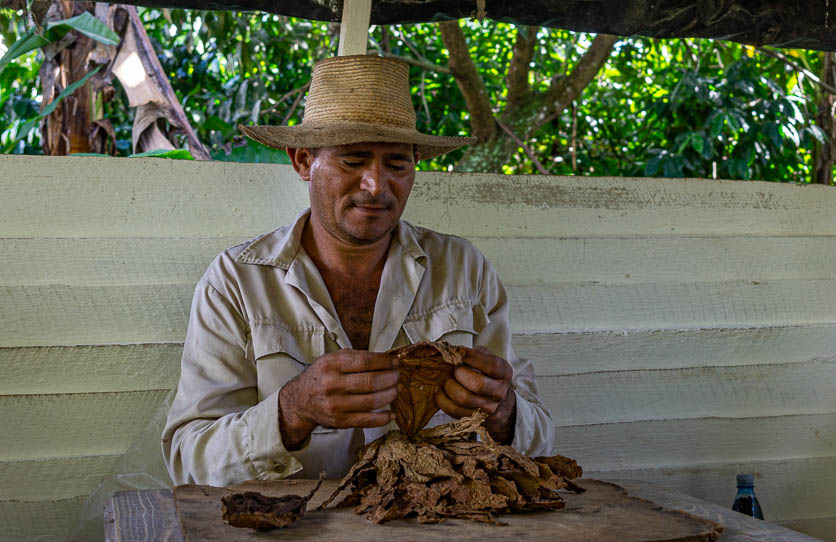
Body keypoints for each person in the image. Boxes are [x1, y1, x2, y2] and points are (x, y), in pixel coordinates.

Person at [162, 55, 554, 486]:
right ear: (302, 161)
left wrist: (505, 414)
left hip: (436, 527)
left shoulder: (463, 269)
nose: (376, 185)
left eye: (398, 164)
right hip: (296, 537)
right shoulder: (238, 281)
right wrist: (291, 411)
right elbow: (189, 461)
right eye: (353, 160)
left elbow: (539, 437)